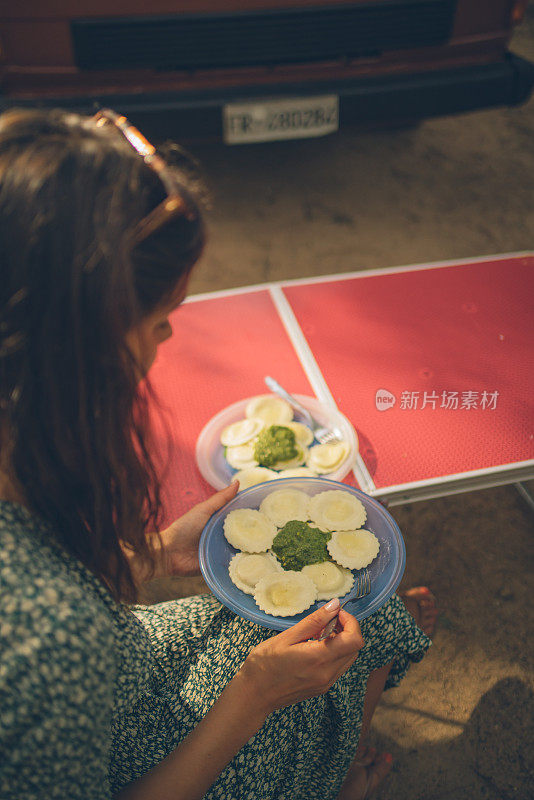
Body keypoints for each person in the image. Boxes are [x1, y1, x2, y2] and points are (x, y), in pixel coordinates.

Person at [0, 107, 437, 800]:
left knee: (363, 610)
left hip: (124, 664)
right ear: (84, 346)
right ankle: (330, 779)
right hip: (144, 749)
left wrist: (149, 553)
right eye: (159, 317)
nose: (167, 335)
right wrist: (253, 696)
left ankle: (337, 762)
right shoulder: (49, 640)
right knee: (358, 636)